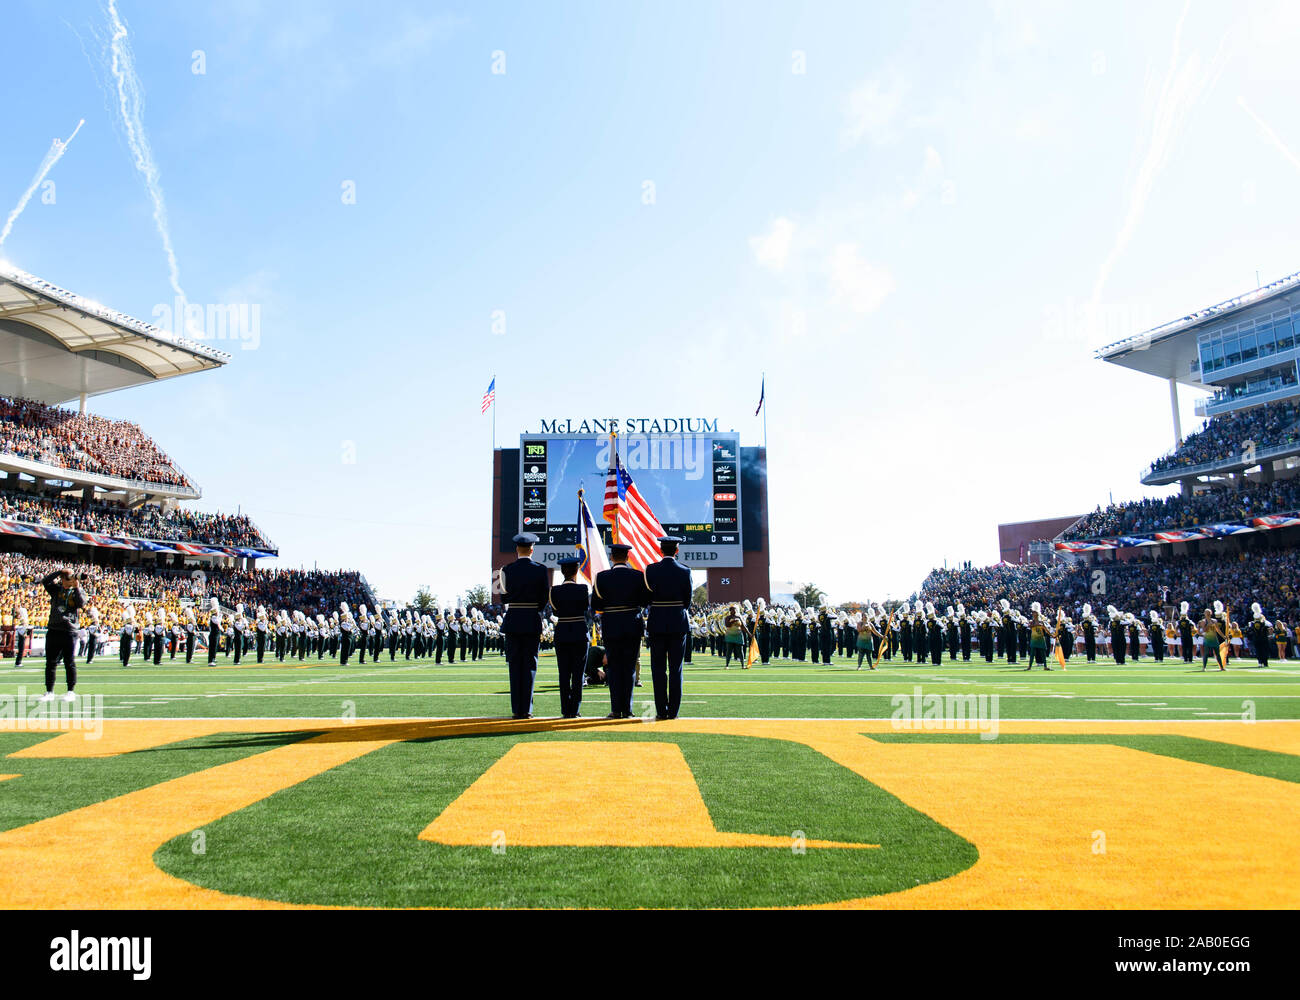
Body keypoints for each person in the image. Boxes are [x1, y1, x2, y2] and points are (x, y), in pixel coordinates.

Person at [591, 542, 651, 718]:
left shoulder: (602, 577)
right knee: (630, 668)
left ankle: (616, 709)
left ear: (611, 557)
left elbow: (595, 604)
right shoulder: (638, 576)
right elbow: (645, 601)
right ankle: (628, 709)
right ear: (627, 558)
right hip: (632, 625)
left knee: (615, 668)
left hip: (611, 626)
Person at [500, 532, 549, 720]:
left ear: (516, 549)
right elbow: (544, 598)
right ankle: (526, 709)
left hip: (513, 620)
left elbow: (503, 597)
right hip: (531, 620)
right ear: (532, 549)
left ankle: (516, 709)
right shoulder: (540, 569)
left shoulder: (506, 570)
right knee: (530, 665)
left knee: (514, 665)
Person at [645, 535, 691, 720]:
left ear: (660, 550)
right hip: (678, 622)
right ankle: (673, 712)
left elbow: (647, 598)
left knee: (658, 669)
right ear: (677, 550)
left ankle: (661, 711)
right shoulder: (685, 571)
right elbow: (687, 601)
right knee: (675, 669)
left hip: (657, 622)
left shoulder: (651, 570)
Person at [549, 556, 591, 719]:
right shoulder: (582, 589)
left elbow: (555, 612)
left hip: (563, 633)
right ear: (576, 572)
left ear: (563, 573)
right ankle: (575, 709)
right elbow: (584, 609)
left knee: (564, 673)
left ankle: (566, 709)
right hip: (580, 633)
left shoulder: (554, 591)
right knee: (578, 673)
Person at [39, 568, 84, 703]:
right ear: (62, 579)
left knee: (69, 662)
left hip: (70, 631)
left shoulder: (78, 590)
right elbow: (45, 581)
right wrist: (59, 571)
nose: (70, 581)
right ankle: (49, 691)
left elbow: (81, 604)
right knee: (50, 663)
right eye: (67, 578)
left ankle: (70, 691)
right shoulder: (56, 590)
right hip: (54, 629)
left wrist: (76, 588)